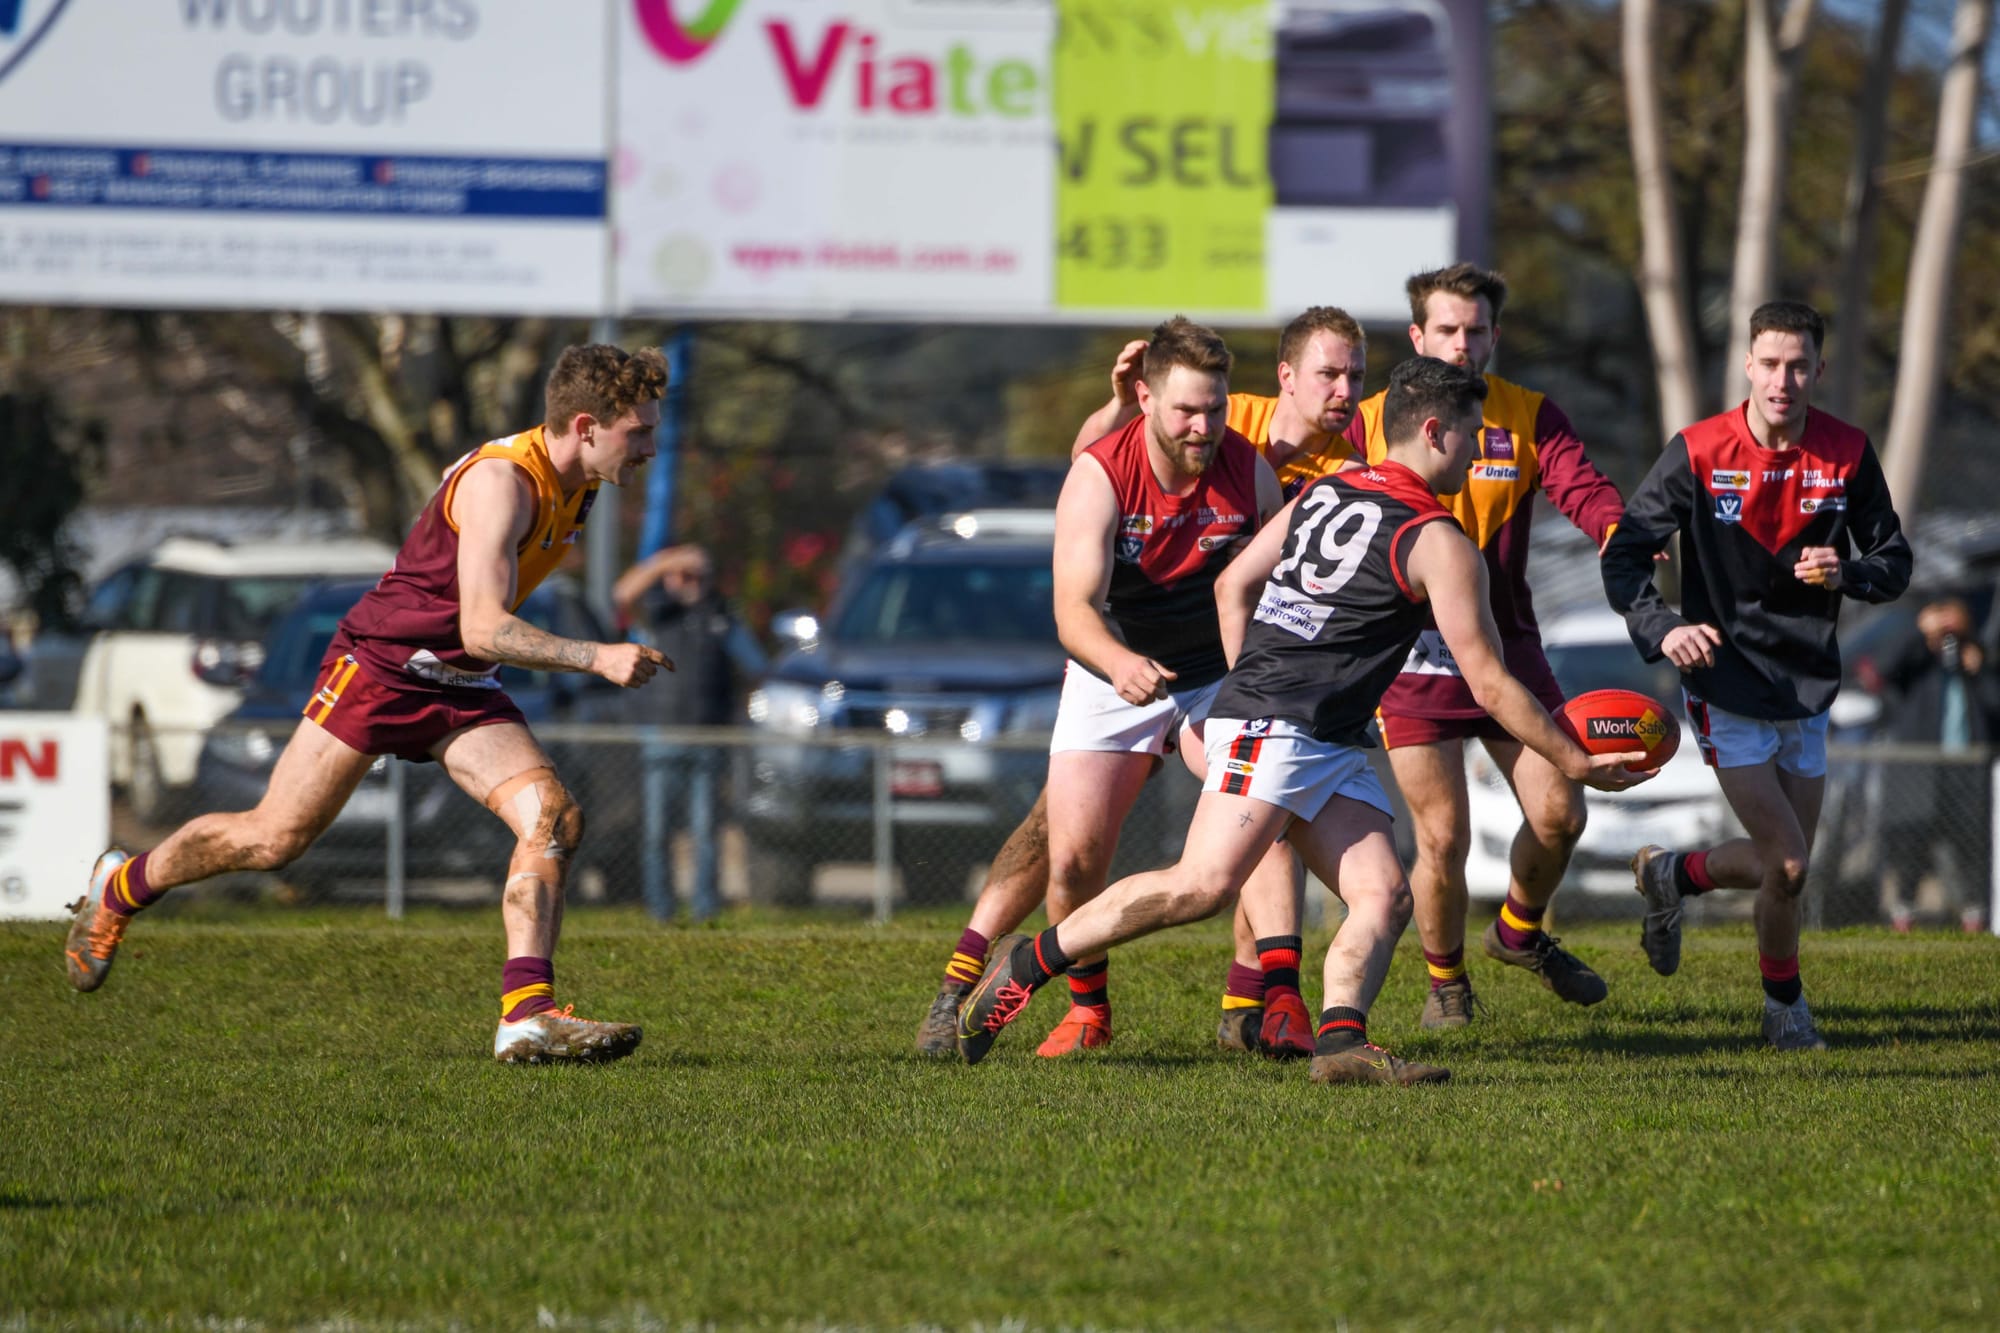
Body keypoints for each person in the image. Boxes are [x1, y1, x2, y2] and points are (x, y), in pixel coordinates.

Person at [955, 358, 1650, 1078]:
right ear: (1434, 432)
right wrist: (1574, 760)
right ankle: (1028, 962)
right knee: (1201, 886)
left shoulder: (1327, 488)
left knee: (1383, 894)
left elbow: (1233, 582)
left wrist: (1248, 677)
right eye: (1471, 434)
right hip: (1278, 726)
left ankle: (1343, 1043)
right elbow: (1492, 685)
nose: (1477, 453)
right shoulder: (1441, 543)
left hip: (1320, 734)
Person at [63, 344, 673, 1064]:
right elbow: (483, 626)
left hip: (460, 682)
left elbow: (472, 638)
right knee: (273, 839)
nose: (650, 449)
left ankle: (527, 1014)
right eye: (639, 433)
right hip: (382, 668)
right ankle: (122, 885)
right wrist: (596, 655)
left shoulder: (581, 483)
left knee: (553, 817)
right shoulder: (503, 482)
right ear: (586, 426)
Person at [913, 312, 1329, 1059]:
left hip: (1213, 678)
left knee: (1259, 819)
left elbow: (1276, 587)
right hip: (1112, 669)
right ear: (1145, 398)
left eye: (1215, 409)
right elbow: (1073, 612)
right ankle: (1087, 1010)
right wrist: (1119, 663)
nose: (1203, 426)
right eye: (1187, 410)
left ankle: (1279, 1001)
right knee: (1071, 857)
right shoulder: (1101, 473)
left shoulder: (1248, 470)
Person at [1604, 299, 1911, 1050]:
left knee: (1788, 872)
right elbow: (1624, 552)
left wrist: (1848, 571)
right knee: (1791, 859)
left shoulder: (1846, 451)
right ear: (1747, 365)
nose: (1783, 380)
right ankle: (1785, 1009)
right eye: (1769, 364)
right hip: (1727, 682)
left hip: (1806, 683)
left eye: (1798, 366)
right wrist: (1664, 627)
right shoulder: (1699, 450)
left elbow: (1895, 560)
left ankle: (1673, 875)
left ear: (1819, 370)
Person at [1340, 263, 1628, 1031]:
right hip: (1411, 655)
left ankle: (1518, 933)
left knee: (1561, 811)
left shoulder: (1528, 414)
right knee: (1442, 836)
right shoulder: (1367, 421)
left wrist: (1615, 527)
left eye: (1475, 330)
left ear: (1495, 335)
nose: (1461, 344)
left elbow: (1581, 485)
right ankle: (1447, 984)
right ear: (1417, 336)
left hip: (1507, 646)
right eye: (1447, 329)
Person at [613, 543, 766, 924]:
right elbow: (622, 594)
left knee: (705, 831)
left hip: (709, 739)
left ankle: (705, 910)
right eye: (682, 575)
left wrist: (738, 712)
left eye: (697, 574)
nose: (690, 581)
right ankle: (660, 911)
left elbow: (757, 666)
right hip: (661, 737)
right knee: (657, 831)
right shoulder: (655, 616)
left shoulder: (721, 617)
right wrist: (667, 561)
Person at [1876, 598, 1997, 933]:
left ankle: (1975, 917)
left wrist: (1980, 670)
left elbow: (1994, 706)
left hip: (1966, 771)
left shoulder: (1978, 660)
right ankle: (1904, 914)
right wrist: (1921, 634)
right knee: (1911, 845)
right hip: (1921, 772)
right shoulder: (1918, 662)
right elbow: (1885, 669)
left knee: (1970, 849)